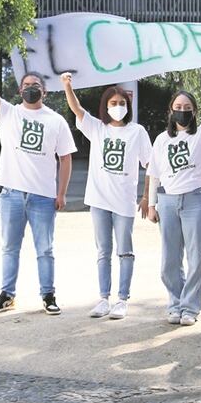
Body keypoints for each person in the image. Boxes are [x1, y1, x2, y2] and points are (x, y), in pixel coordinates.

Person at [0, 51, 76, 316]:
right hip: (11, 194)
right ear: (19, 91)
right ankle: (7, 295)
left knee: (45, 249)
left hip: (43, 197)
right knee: (10, 248)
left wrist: (62, 193)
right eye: (26, 86)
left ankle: (48, 295)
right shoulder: (7, 114)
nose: (30, 89)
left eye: (35, 86)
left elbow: (66, 158)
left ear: (44, 92)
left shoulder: (55, 121)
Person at [62, 74, 152, 320]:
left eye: (121, 103)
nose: (117, 107)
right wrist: (67, 86)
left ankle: (122, 299)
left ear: (128, 106)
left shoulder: (137, 132)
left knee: (125, 251)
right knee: (103, 251)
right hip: (99, 201)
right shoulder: (98, 129)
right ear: (105, 107)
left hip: (123, 202)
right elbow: (77, 109)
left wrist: (146, 197)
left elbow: (151, 167)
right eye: (112, 103)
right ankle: (104, 298)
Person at [146, 60, 201, 327]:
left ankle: (190, 307)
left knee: (196, 256)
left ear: (194, 112)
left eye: (187, 108)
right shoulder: (161, 140)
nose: (182, 112)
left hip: (194, 200)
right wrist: (152, 204)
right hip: (167, 201)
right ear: (170, 111)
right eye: (178, 108)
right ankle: (175, 303)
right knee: (169, 259)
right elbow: (153, 173)